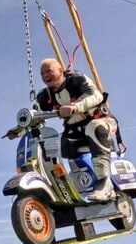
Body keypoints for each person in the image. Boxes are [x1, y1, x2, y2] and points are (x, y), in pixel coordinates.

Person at [36, 58, 117, 201]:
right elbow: (34, 114)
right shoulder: (45, 96)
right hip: (76, 130)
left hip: (102, 122)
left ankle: (105, 183)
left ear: (61, 71)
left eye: (49, 71)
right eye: (42, 74)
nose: (45, 76)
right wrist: (20, 128)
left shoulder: (76, 79)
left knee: (94, 127)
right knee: (53, 145)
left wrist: (76, 107)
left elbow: (96, 95)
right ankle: (72, 185)